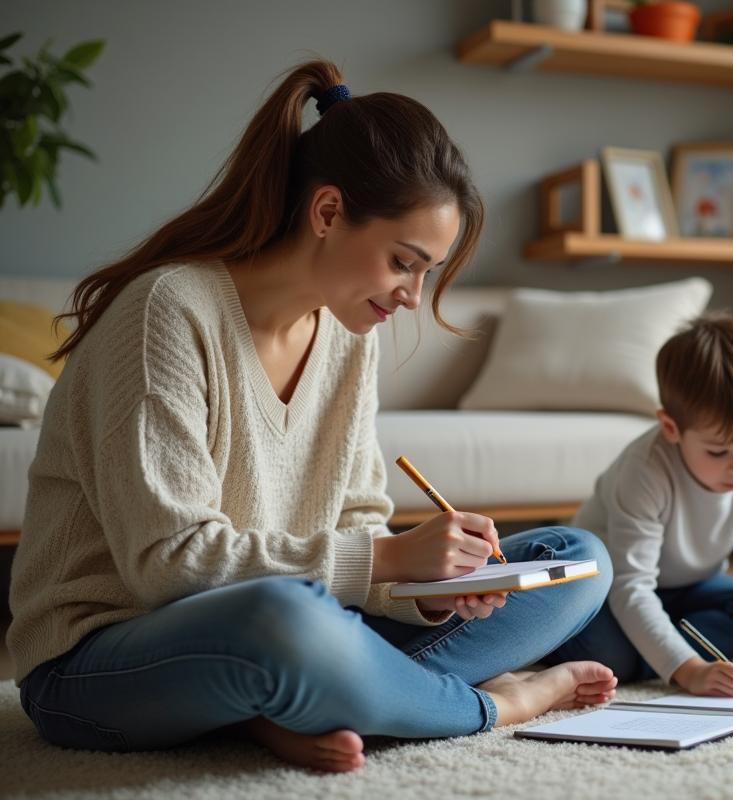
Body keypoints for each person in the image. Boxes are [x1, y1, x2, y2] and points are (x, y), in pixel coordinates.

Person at [7, 60, 618, 774]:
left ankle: (300, 701)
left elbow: (356, 521)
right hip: (100, 658)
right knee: (287, 621)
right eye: (404, 262)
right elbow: (168, 567)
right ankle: (489, 704)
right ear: (327, 213)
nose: (412, 296)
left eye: (426, 273)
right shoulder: (167, 312)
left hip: (286, 632)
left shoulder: (348, 336)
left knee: (578, 561)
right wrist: (390, 558)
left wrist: (437, 591)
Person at [546, 311, 733, 697]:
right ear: (671, 428)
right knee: (605, 653)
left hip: (690, 587)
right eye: (718, 451)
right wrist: (691, 670)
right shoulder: (645, 469)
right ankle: (659, 655)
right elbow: (631, 587)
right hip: (606, 590)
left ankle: (653, 652)